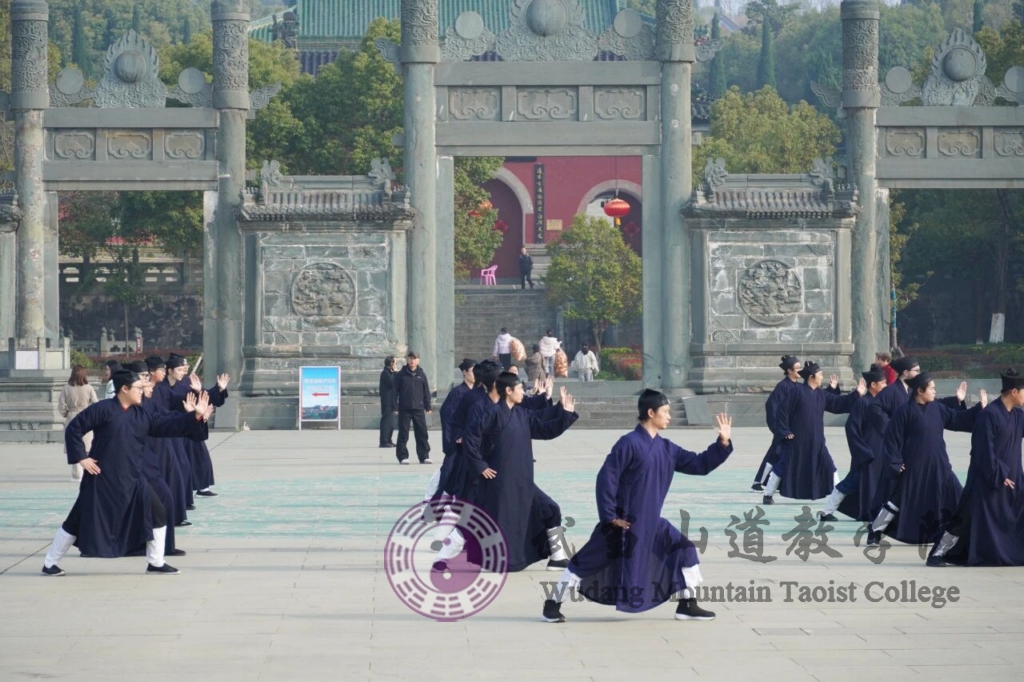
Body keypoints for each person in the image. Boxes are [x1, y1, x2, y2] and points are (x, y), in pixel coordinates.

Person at [541, 390, 733, 623]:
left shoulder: (667, 449)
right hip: (622, 524)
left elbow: (699, 464)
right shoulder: (628, 444)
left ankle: (687, 604)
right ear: (651, 413)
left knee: (684, 549)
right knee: (584, 562)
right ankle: (552, 603)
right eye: (665, 412)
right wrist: (610, 516)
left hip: (652, 523)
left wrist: (722, 444)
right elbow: (606, 478)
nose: (669, 417)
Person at [41, 370, 213, 576]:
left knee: (158, 512)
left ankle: (156, 562)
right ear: (124, 388)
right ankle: (50, 563)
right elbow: (75, 428)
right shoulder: (102, 409)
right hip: (102, 477)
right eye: (139, 388)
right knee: (76, 520)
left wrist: (195, 416)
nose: (143, 392)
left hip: (134, 477)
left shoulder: (143, 413)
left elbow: (168, 424)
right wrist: (81, 457)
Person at [461, 372, 578, 572]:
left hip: (523, 479)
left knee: (551, 509)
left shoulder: (521, 414)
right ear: (508, 390)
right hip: (502, 481)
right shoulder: (492, 414)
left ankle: (557, 557)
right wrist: (480, 466)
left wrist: (565, 414)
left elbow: (545, 429)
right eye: (520, 388)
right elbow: (471, 438)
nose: (523, 392)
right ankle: (498, 560)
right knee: (503, 522)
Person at [867, 373, 985, 547]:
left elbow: (958, 419)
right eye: (932, 388)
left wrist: (979, 409)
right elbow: (892, 440)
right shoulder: (904, 412)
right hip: (914, 466)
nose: (934, 392)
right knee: (897, 501)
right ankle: (875, 530)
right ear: (920, 391)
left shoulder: (937, 408)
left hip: (940, 464)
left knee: (958, 495)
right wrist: (895, 462)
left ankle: (966, 534)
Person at [927, 369, 1024, 567]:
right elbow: (982, 451)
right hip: (985, 480)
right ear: (1014, 391)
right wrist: (998, 474)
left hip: (1013, 479)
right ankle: (937, 553)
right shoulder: (989, 415)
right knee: (963, 519)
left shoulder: (1018, 415)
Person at [763, 362, 865, 505]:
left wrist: (856, 394)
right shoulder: (796, 392)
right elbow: (782, 412)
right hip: (796, 439)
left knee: (829, 466)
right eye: (820, 375)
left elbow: (838, 403)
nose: (822, 377)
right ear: (811, 377)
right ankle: (768, 494)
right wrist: (785, 431)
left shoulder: (821, 394)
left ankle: (840, 496)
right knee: (783, 465)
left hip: (816, 440)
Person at [819, 365, 887, 521]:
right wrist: (863, 452)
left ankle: (868, 512)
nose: (885, 386)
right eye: (883, 383)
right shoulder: (862, 403)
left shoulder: (883, 403)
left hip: (881, 452)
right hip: (867, 454)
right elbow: (852, 428)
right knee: (850, 483)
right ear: (874, 385)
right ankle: (827, 512)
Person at [424, 358, 475, 499]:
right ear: (464, 372)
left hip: (470, 440)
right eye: (472, 371)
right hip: (457, 441)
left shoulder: (477, 392)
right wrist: (452, 438)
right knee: (447, 471)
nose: (475, 375)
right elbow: (447, 414)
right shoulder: (457, 392)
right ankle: (431, 498)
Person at [751, 355, 802, 491]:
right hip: (783, 428)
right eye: (798, 368)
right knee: (775, 454)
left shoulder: (798, 386)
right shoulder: (783, 387)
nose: (800, 370)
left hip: (792, 428)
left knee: (785, 455)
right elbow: (772, 407)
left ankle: (777, 483)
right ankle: (758, 482)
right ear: (789, 371)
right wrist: (779, 429)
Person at [58, 366, 99, 480]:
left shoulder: (66, 388)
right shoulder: (89, 388)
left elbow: (61, 405)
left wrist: (66, 413)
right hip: (86, 416)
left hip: (72, 416)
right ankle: (86, 468)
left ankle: (77, 471)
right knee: (86, 445)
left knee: (73, 443)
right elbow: (96, 404)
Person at [395, 351, 432, 465]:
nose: (412, 360)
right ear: (407, 359)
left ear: (418, 360)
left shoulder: (421, 374)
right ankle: (402, 456)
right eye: (411, 358)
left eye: (415, 358)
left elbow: (426, 391)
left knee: (422, 432)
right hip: (404, 408)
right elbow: (394, 391)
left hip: (418, 408)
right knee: (403, 433)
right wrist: (394, 407)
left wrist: (428, 406)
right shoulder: (401, 374)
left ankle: (424, 456)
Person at [379, 356, 398, 448]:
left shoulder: (389, 373)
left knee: (391, 422)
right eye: (395, 363)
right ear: (391, 364)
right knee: (386, 421)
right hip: (387, 400)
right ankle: (384, 441)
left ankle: (389, 439)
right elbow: (393, 382)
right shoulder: (385, 373)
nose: (396, 365)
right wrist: (395, 372)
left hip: (391, 400)